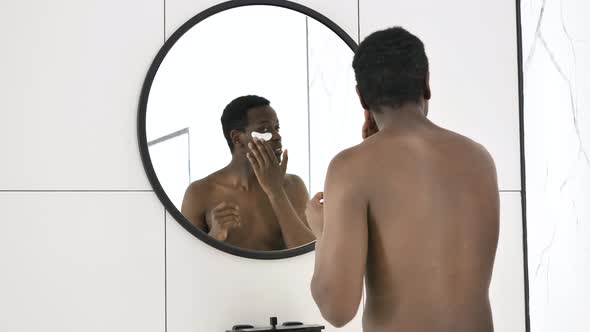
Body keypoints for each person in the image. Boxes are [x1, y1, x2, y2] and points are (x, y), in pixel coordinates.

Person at [306, 27, 500, 332]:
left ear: (361, 97)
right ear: (426, 83)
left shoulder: (351, 167)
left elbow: (337, 309)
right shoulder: (478, 158)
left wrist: (322, 233)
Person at [181, 95, 314, 251]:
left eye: (276, 128)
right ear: (238, 138)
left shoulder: (293, 186)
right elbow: (186, 262)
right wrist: (214, 237)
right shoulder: (199, 193)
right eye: (265, 129)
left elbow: (309, 256)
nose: (277, 136)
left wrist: (276, 192)